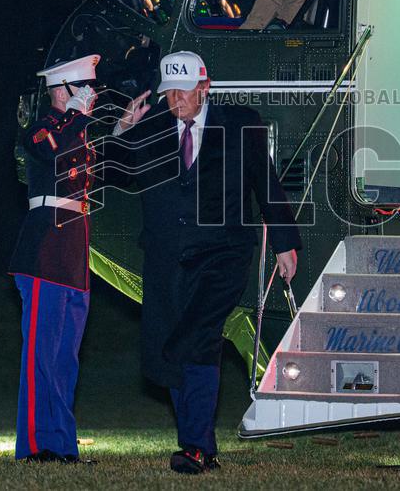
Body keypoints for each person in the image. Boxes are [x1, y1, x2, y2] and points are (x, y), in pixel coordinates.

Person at [109, 51, 301, 474]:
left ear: (204, 86)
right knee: (171, 347)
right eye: (169, 91)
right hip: (167, 256)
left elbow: (265, 185)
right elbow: (114, 170)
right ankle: (198, 444)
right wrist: (123, 128)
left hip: (222, 255)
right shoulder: (151, 128)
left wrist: (285, 243)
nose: (176, 100)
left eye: (184, 90)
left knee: (198, 337)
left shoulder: (240, 124)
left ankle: (196, 445)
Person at [8, 54, 100, 465]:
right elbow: (53, 153)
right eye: (83, 88)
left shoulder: (80, 131)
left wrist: (122, 128)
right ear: (61, 90)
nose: (90, 95)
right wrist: (79, 118)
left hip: (74, 253)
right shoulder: (41, 129)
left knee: (65, 357)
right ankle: (32, 445)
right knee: (40, 355)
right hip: (44, 250)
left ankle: (62, 445)